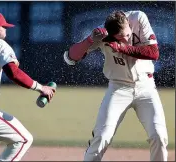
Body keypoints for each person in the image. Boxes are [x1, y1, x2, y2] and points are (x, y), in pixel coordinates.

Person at [64, 10, 168, 161]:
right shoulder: (102, 34)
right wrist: (89, 40)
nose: (126, 40)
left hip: (146, 87)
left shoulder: (138, 18)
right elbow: (70, 58)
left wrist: (122, 47)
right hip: (118, 88)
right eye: (120, 39)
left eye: (127, 36)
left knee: (159, 135)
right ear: (111, 35)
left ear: (128, 23)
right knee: (102, 136)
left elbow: (154, 53)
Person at [0, 12, 56, 161]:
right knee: (23, 139)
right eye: (5, 27)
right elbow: (13, 73)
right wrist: (41, 88)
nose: (6, 30)